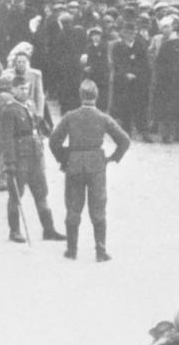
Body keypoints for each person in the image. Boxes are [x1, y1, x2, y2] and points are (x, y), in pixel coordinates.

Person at [49, 80, 130, 261]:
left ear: (80, 95)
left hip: (75, 164)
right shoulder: (103, 117)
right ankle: (100, 251)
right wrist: (112, 158)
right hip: (96, 166)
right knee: (98, 207)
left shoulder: (70, 116)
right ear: (97, 96)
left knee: (73, 206)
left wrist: (64, 158)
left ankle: (72, 250)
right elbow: (124, 140)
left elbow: (54, 141)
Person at [0, 76, 66, 243]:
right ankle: (14, 231)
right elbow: (6, 139)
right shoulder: (9, 109)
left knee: (41, 192)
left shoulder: (30, 105)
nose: (24, 91)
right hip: (20, 157)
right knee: (16, 195)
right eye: (21, 88)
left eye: (26, 88)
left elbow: (37, 124)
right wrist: (9, 163)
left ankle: (48, 229)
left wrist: (43, 125)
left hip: (35, 156)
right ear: (13, 90)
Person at [110, 21, 153, 142]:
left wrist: (136, 74)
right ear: (123, 34)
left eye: (132, 33)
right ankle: (126, 130)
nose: (130, 35)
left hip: (138, 80)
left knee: (141, 106)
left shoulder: (140, 45)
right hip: (124, 81)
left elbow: (144, 63)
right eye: (127, 33)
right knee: (125, 106)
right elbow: (117, 63)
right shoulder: (118, 47)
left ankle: (143, 131)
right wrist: (125, 74)